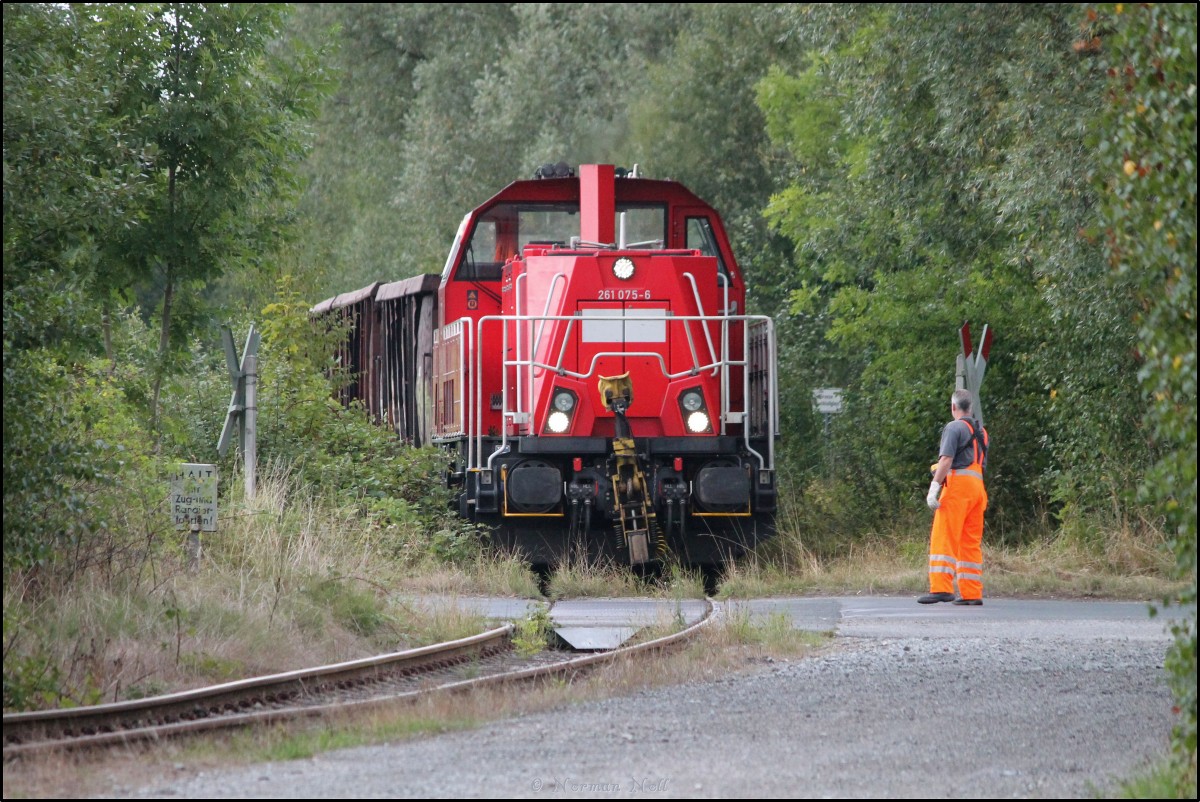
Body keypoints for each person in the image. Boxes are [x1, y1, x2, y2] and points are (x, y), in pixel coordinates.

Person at [919, 388, 989, 605]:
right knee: (970, 542)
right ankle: (971, 593)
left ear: (953, 407)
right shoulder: (982, 432)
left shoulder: (953, 427)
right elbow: (978, 464)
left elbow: (947, 461)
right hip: (978, 489)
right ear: (971, 407)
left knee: (944, 536)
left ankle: (941, 588)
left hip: (958, 489)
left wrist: (934, 486)